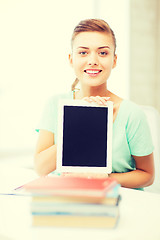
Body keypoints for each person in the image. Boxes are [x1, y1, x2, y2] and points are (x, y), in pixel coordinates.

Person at [34, 18, 155, 189]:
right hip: (67, 198)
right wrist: (79, 120)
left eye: (103, 53)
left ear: (114, 60)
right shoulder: (55, 104)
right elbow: (41, 168)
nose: (93, 60)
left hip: (117, 201)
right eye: (83, 52)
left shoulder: (131, 114)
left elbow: (147, 175)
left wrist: (103, 178)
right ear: (71, 59)